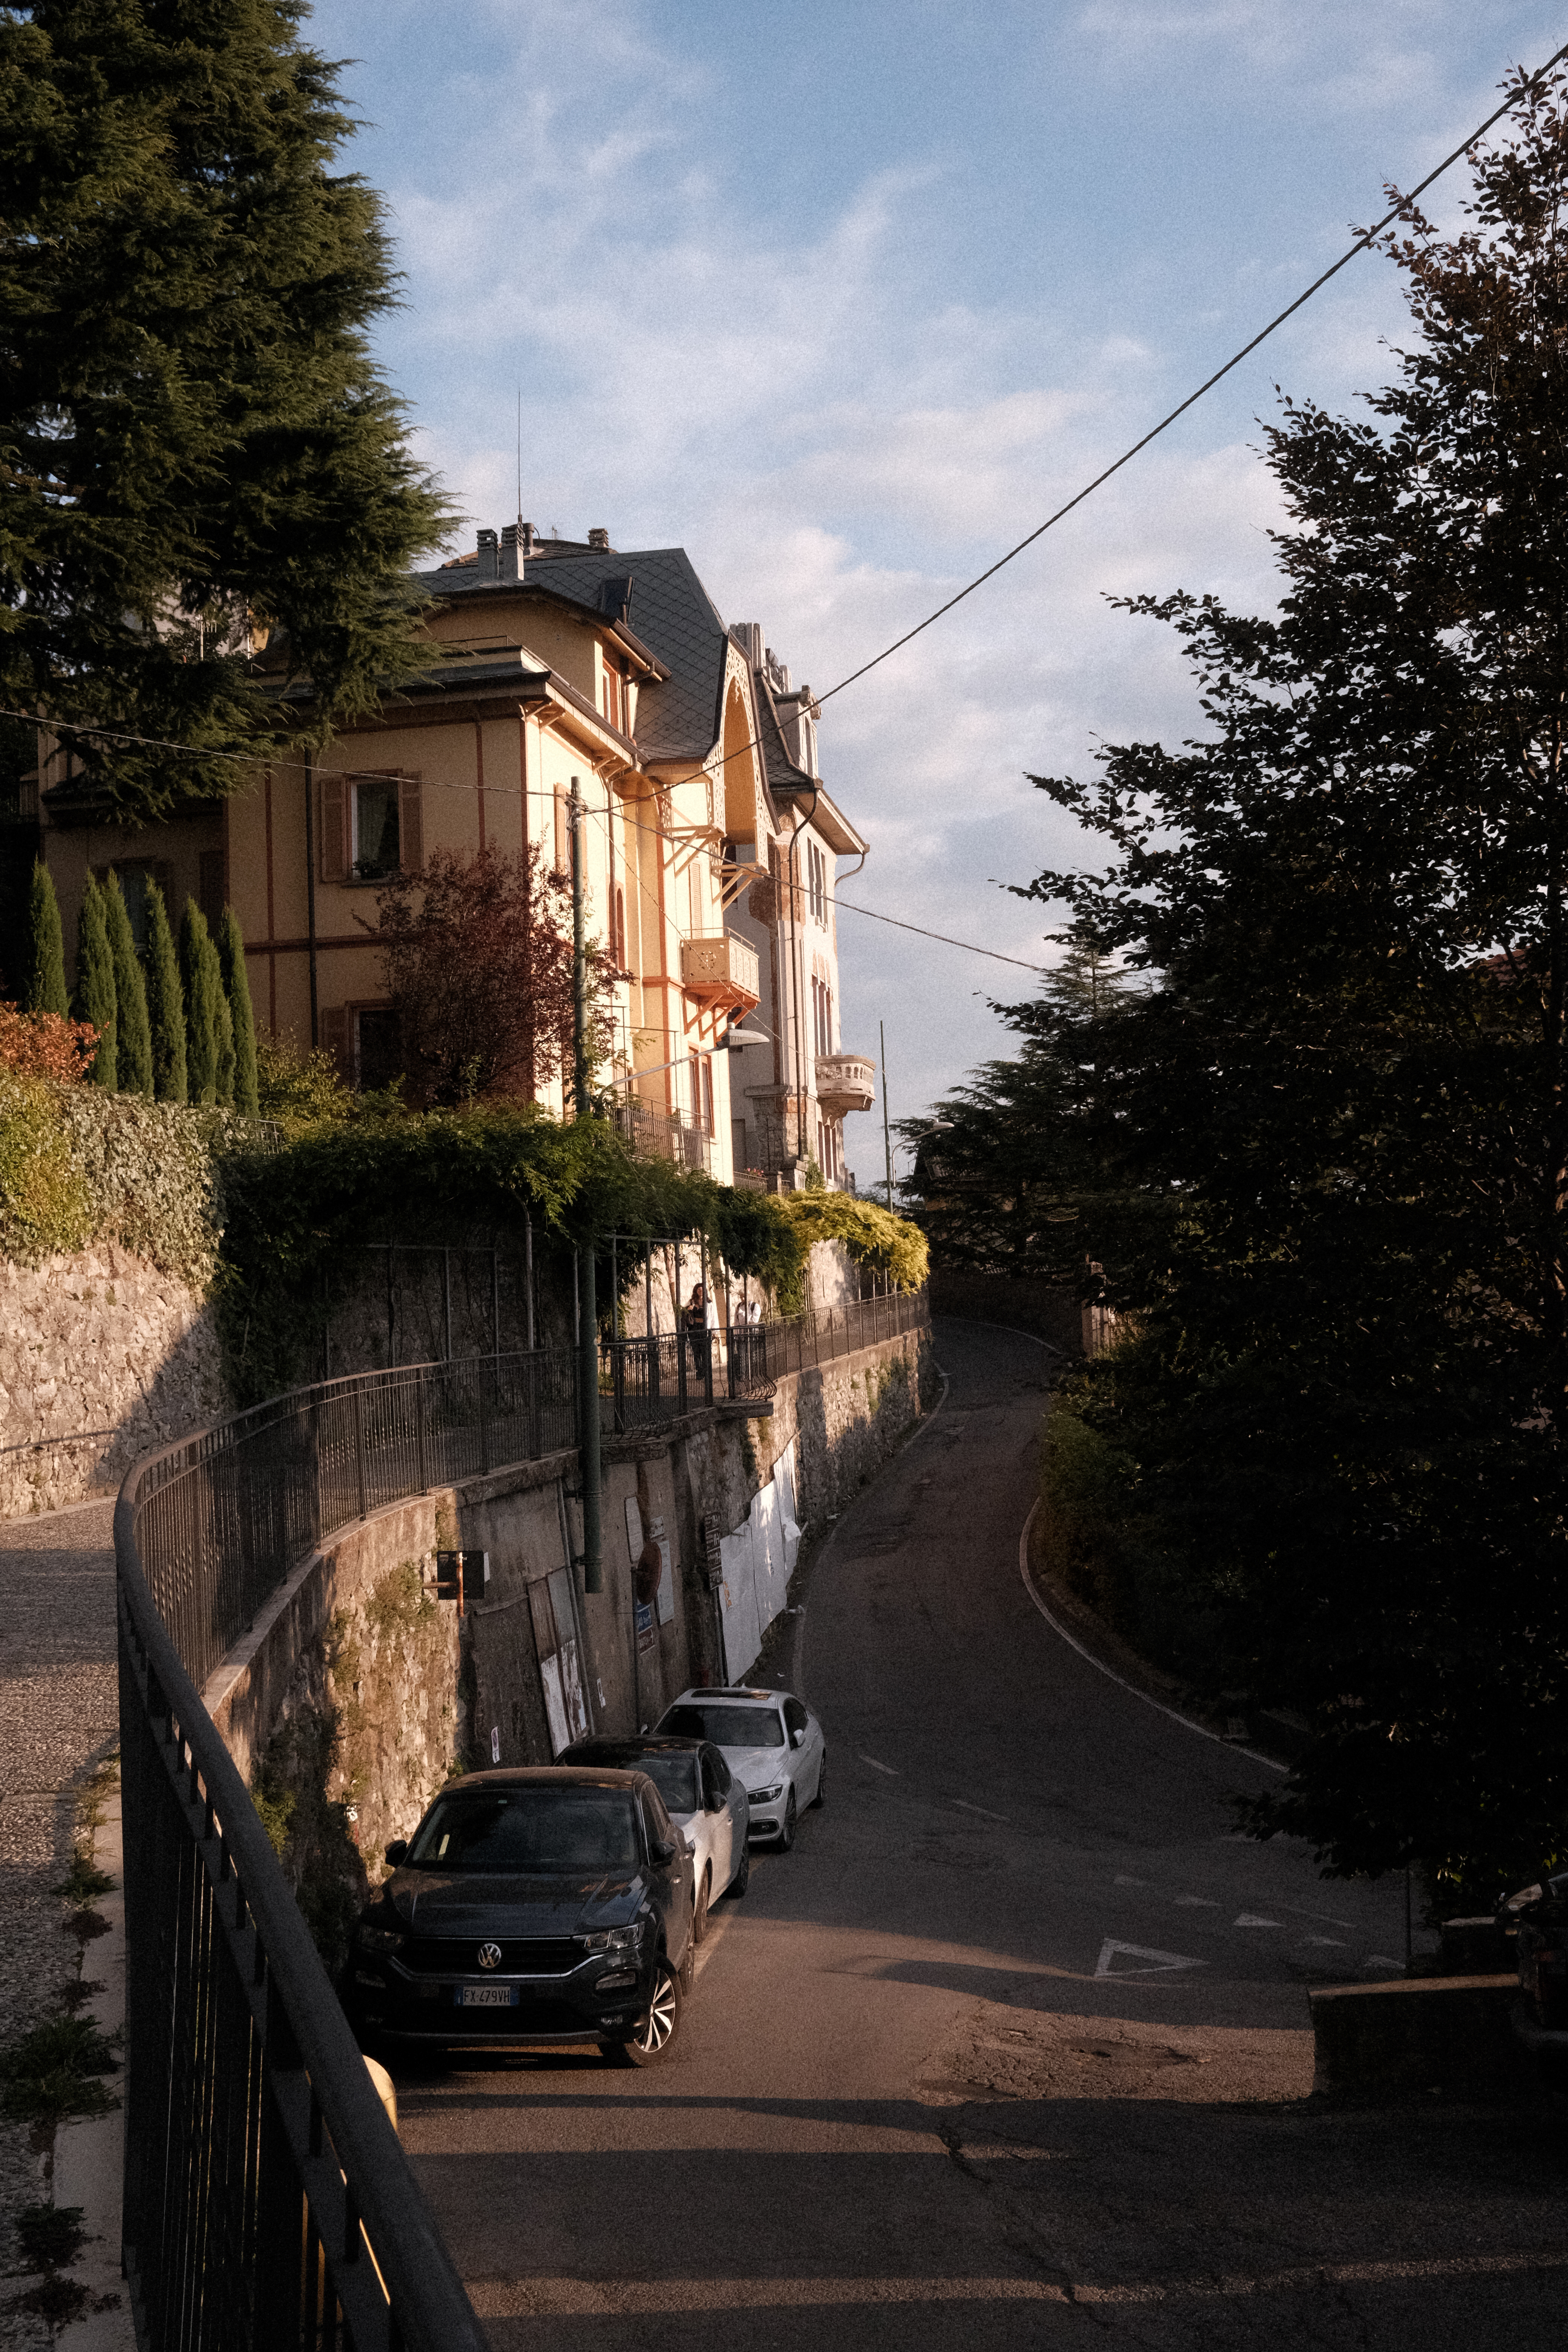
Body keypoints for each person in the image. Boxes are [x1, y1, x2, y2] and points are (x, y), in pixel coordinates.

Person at [683, 1285, 709, 1380]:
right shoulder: (692, 1302)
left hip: (704, 1329)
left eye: (703, 1290)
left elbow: (713, 1317)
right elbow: (684, 1311)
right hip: (693, 1330)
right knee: (696, 1352)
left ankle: (706, 1371)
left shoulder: (708, 1302)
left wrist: (714, 1332)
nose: (701, 1291)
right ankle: (699, 1371)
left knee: (704, 1351)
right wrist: (687, 1310)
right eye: (699, 1290)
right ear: (696, 1291)